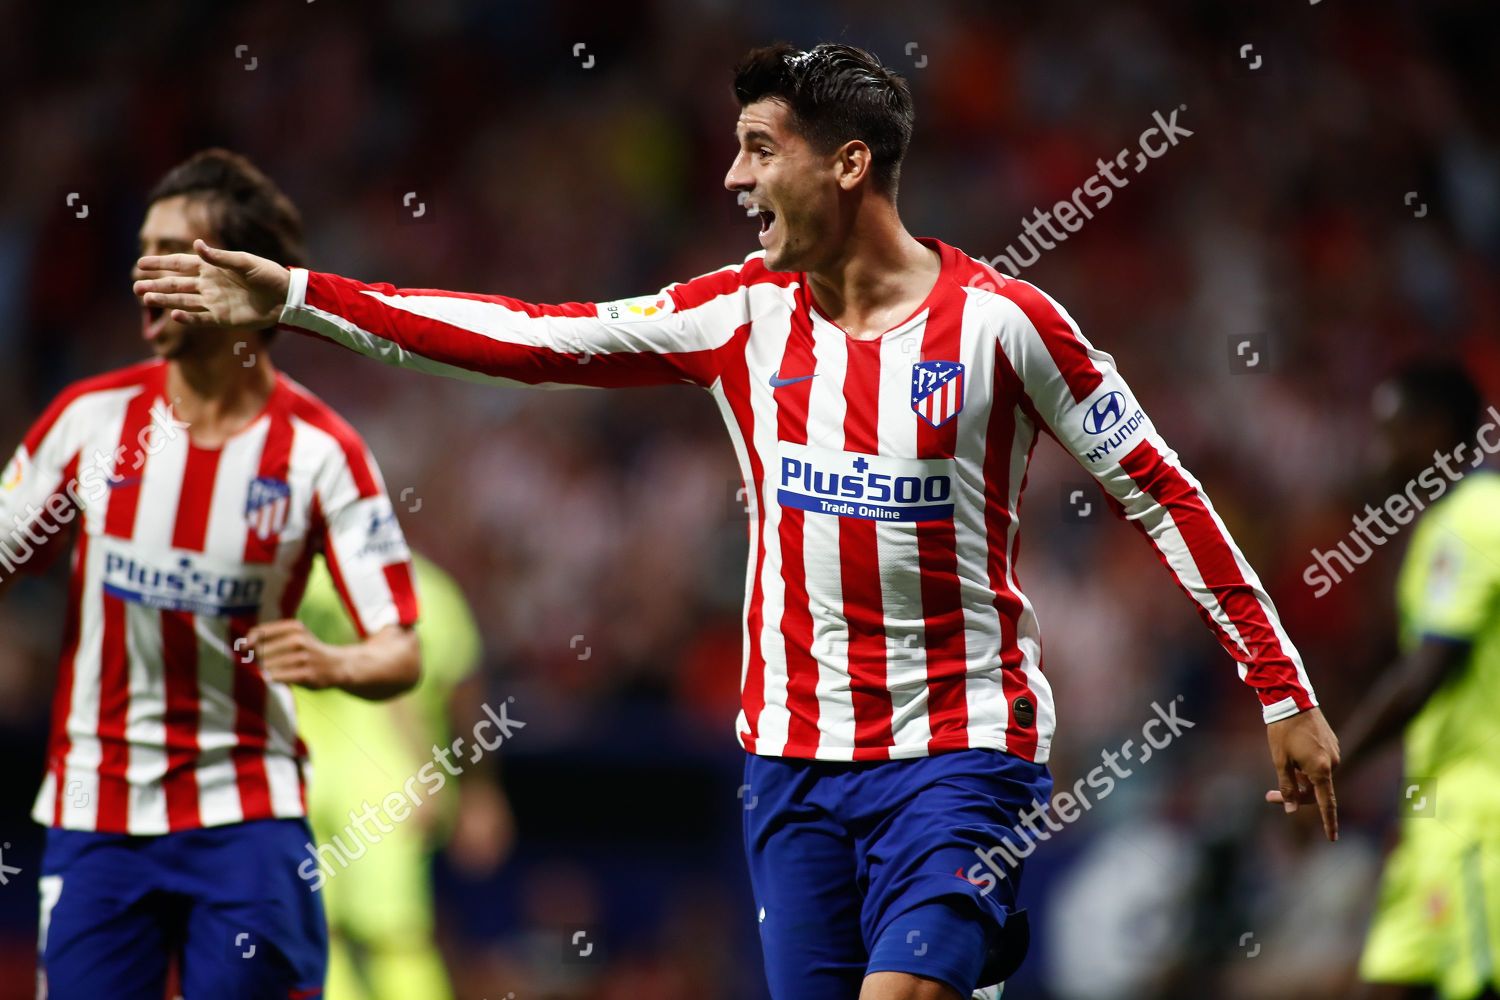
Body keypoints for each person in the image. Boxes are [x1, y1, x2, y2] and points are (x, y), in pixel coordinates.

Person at [134, 44, 1339, 1000]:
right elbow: (524, 337)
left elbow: (1162, 488)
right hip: (792, 770)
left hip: (964, 755)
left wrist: (1281, 690)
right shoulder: (735, 318)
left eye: (761, 150)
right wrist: (299, 296)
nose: (733, 179)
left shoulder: (1007, 326)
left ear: (849, 163)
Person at [3, 148, 421, 999]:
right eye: (140, 250)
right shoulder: (88, 423)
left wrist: (338, 664)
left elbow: (401, 650)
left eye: (172, 253)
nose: (142, 275)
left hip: (247, 820)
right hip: (96, 812)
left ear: (240, 278)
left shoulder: (321, 453)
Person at [1328, 362, 1500, 1000]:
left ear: (1433, 431)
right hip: (1432, 819)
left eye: (1388, 432)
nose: (1377, 453)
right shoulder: (1444, 525)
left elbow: (1426, 674)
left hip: (1478, 821)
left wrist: (1331, 762)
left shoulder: (1476, 517)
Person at [295, 550, 514, 1000]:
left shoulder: (291, 576)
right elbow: (458, 694)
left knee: (326, 931)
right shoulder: (421, 584)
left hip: (309, 777)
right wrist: (460, 784)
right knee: (394, 937)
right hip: (380, 781)